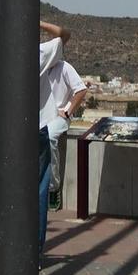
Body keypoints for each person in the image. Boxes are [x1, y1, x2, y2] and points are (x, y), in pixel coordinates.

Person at [37, 18, 71, 258]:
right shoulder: (39, 53)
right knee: (39, 190)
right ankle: (35, 250)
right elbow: (64, 34)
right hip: (38, 127)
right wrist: (39, 23)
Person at [46, 57, 88, 209]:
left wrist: (68, 111)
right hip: (42, 115)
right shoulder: (39, 65)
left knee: (50, 137)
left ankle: (53, 186)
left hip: (59, 116)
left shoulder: (64, 68)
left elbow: (81, 90)